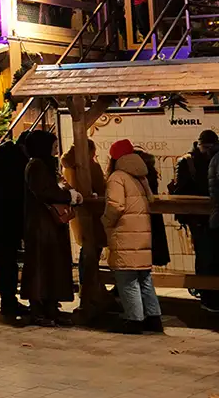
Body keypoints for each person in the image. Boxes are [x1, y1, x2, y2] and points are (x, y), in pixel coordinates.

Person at [103, 138, 162, 333]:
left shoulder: (117, 177)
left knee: (127, 279)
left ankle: (134, 320)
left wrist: (105, 221)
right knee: (144, 278)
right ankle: (153, 318)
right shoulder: (141, 175)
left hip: (124, 233)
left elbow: (115, 205)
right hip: (142, 233)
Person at [20, 131, 77, 327]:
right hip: (40, 225)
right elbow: (45, 192)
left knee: (52, 266)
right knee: (41, 267)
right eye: (53, 145)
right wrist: (69, 197)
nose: (56, 148)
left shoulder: (45, 164)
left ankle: (51, 306)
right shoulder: (36, 165)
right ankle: (38, 308)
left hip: (50, 224)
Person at [61, 144, 113, 322]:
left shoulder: (67, 167)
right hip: (93, 215)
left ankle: (91, 290)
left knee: (86, 253)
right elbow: (101, 187)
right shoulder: (90, 166)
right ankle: (91, 292)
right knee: (91, 254)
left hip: (78, 216)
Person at [170, 129, 219, 310]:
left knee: (208, 256)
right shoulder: (188, 161)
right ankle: (207, 296)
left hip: (203, 216)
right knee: (206, 256)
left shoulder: (189, 161)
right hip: (198, 218)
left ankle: (209, 295)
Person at [0, 139, 28, 321]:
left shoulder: (2, 161)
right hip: (8, 220)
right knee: (8, 262)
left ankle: (7, 300)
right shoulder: (16, 163)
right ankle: (8, 302)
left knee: (6, 262)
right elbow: (16, 195)